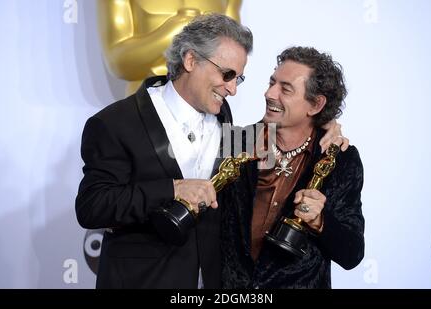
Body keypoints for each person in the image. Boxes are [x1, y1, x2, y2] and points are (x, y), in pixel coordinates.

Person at [77, 13, 346, 288]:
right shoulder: (115, 122)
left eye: (238, 79)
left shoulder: (224, 119)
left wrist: (322, 122)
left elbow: (278, 136)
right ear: (191, 60)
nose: (232, 89)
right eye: (227, 74)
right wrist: (172, 189)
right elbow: (92, 207)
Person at [220, 46, 365, 288]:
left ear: (316, 105)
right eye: (271, 82)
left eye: (285, 89)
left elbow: (352, 254)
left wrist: (320, 221)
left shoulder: (340, 158)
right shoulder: (237, 141)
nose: (269, 93)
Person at [97, 0, 243, 95]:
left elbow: (233, 58)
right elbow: (118, 63)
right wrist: (173, 31)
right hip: (147, 110)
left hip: (206, 113)